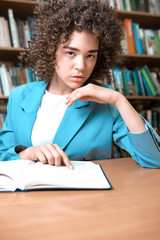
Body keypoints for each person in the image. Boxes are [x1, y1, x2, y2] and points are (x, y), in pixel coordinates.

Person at [0, 0, 160, 169]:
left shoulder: (107, 100)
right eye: (71, 53)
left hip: (88, 193)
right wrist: (28, 153)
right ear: (51, 50)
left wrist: (119, 99)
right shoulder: (20, 96)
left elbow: (154, 159)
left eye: (90, 56)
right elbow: (2, 156)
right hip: (29, 193)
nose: (81, 66)